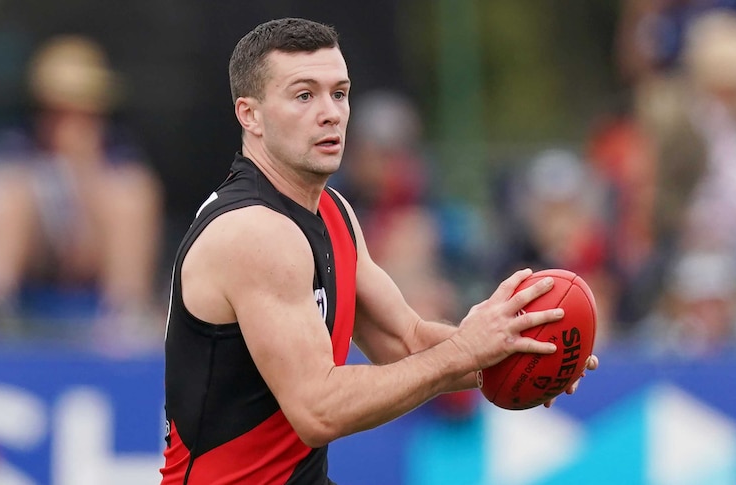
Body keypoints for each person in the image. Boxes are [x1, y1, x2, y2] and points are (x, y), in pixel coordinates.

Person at [160, 18, 599, 484]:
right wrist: (468, 350)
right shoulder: (255, 231)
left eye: (340, 93)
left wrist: (515, 350)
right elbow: (319, 409)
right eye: (304, 95)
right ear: (249, 115)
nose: (330, 112)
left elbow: (404, 342)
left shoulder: (332, 211)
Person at [0, 34, 163, 345]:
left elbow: (89, 231)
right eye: (61, 108)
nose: (72, 121)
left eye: (84, 109)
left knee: (130, 195)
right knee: (8, 195)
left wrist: (83, 169)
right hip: (35, 261)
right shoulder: (12, 148)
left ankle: (127, 314)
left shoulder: (118, 154)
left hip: (90, 258)